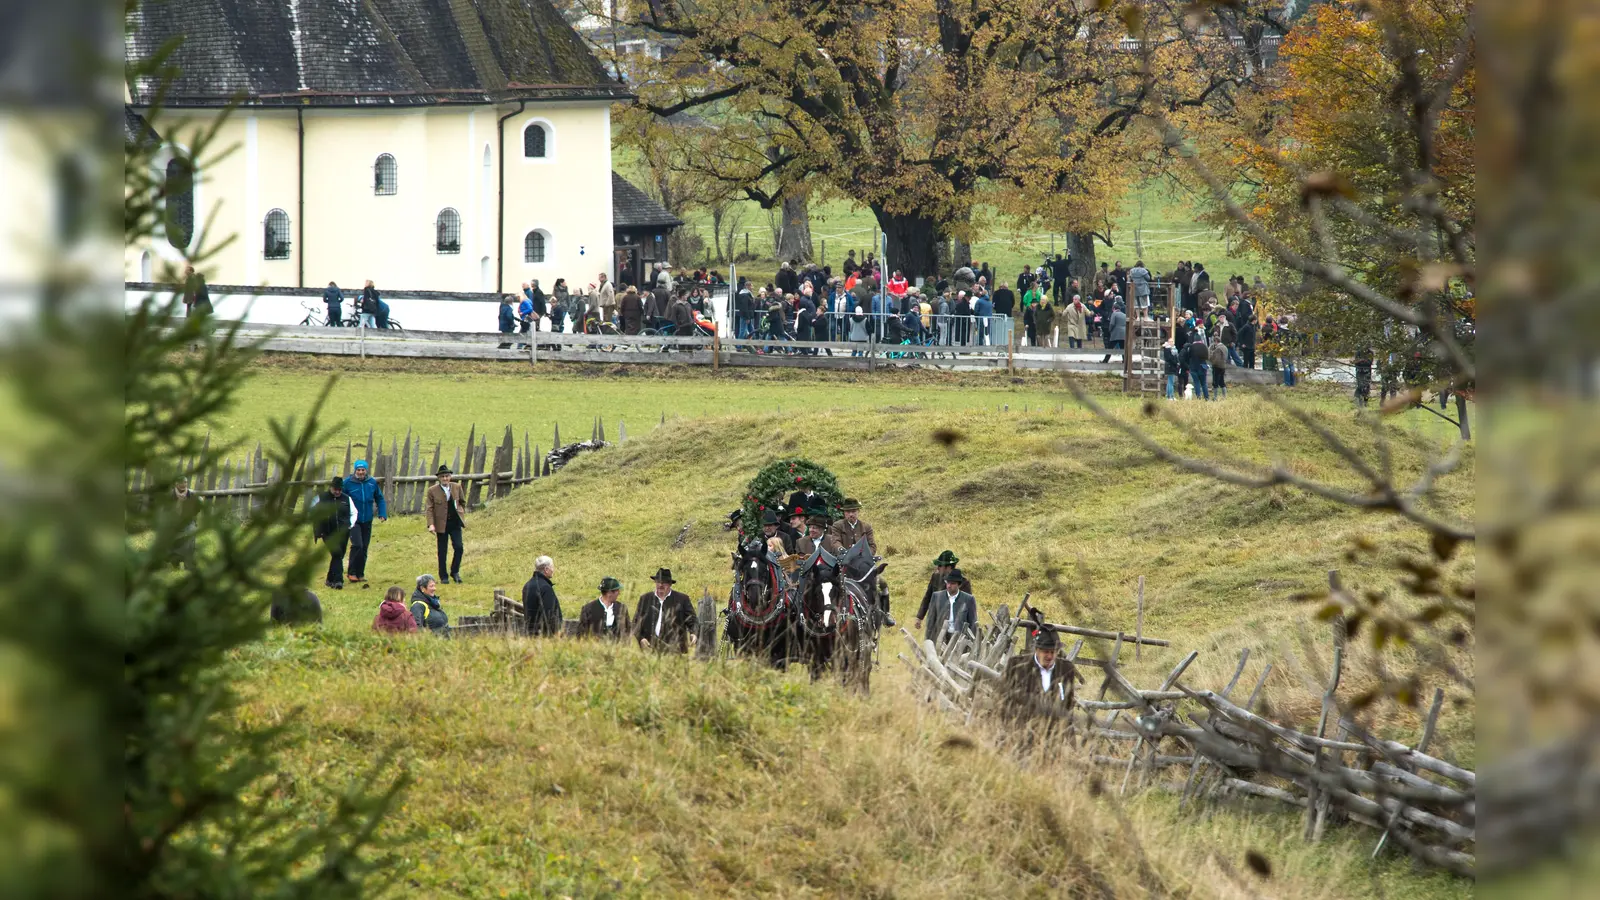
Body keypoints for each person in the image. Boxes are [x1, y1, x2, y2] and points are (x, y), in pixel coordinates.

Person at [999, 627, 1076, 735]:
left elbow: (1069, 706)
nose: (1049, 656)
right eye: (1045, 651)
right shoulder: (1016, 666)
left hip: (1054, 736)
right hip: (1020, 733)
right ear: (1036, 649)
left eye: (1053, 652)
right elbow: (1004, 700)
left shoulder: (1066, 669)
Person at [343, 460, 387, 586]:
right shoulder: (348, 483)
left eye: (363, 470)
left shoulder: (371, 482)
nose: (361, 472)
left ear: (366, 471)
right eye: (358, 470)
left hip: (367, 519)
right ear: (355, 470)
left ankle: (360, 573)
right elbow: (341, 498)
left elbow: (379, 498)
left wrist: (382, 513)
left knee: (365, 547)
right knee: (358, 545)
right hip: (353, 520)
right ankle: (351, 573)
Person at [633, 568, 697, 652]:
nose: (660, 585)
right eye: (658, 582)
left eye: (664, 582)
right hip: (649, 648)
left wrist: (694, 633)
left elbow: (692, 620)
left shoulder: (682, 599)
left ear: (670, 584)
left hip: (675, 649)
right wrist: (641, 638)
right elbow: (635, 622)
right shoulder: (645, 599)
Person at [310, 476, 357, 590]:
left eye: (340, 489)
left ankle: (329, 579)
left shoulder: (347, 499)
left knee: (339, 556)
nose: (337, 492)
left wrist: (350, 524)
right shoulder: (321, 498)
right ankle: (338, 581)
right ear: (331, 487)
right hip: (327, 532)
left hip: (343, 532)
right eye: (335, 489)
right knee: (336, 554)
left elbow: (354, 512)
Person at [424, 464, 467, 583]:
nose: (445, 479)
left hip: (454, 522)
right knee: (442, 550)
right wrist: (431, 524)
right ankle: (443, 576)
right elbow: (429, 508)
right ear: (439, 478)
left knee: (459, 547)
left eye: (447, 476)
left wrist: (461, 513)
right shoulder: (432, 491)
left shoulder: (457, 487)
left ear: (450, 477)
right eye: (442, 476)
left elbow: (462, 502)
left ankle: (455, 571)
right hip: (441, 524)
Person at [913, 550, 970, 632]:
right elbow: (928, 597)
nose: (937, 568)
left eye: (940, 565)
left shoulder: (964, 583)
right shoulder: (935, 577)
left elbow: (967, 607)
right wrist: (919, 617)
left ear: (949, 567)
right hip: (936, 624)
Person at [923, 569, 977, 646]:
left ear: (959, 585)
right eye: (947, 583)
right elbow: (930, 621)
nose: (949, 586)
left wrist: (972, 643)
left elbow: (973, 623)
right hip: (940, 639)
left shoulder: (969, 599)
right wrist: (928, 641)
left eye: (952, 583)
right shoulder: (936, 596)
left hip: (960, 640)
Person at [521, 555, 564, 636]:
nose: (553, 570)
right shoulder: (545, 588)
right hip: (544, 636)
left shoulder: (527, 585)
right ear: (546, 569)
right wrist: (556, 634)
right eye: (552, 567)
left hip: (530, 634)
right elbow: (550, 614)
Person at [168, 477, 201, 568]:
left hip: (188, 522)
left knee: (190, 532)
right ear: (175, 484)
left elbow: (199, 506)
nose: (183, 484)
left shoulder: (191, 494)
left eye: (185, 482)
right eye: (180, 482)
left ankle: (188, 562)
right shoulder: (170, 495)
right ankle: (175, 561)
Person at [1184, 331, 1211, 400]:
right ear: (1200, 340)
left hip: (1193, 367)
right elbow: (1207, 357)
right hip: (1202, 366)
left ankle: (1198, 396)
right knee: (1204, 383)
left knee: (1196, 383)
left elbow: (1188, 356)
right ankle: (1206, 397)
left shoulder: (1192, 347)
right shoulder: (1204, 346)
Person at [1208, 330, 1228, 399]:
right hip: (1223, 366)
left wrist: (1211, 356)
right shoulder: (1225, 347)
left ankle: (1215, 397)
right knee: (1222, 381)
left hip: (1217, 367)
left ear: (1216, 341)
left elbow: (1215, 359)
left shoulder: (1218, 349)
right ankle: (1224, 396)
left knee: (1215, 382)